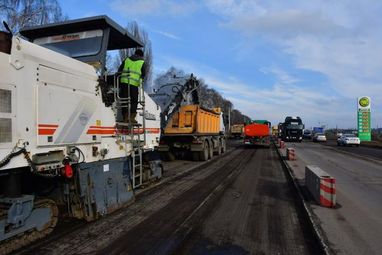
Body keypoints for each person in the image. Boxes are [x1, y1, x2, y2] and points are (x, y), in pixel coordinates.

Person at [119, 49, 146, 123]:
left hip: (124, 82)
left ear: (135, 53)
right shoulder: (142, 62)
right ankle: (132, 118)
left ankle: (125, 117)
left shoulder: (127, 60)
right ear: (141, 55)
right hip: (134, 84)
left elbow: (119, 70)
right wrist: (140, 81)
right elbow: (143, 74)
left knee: (124, 100)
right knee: (134, 101)